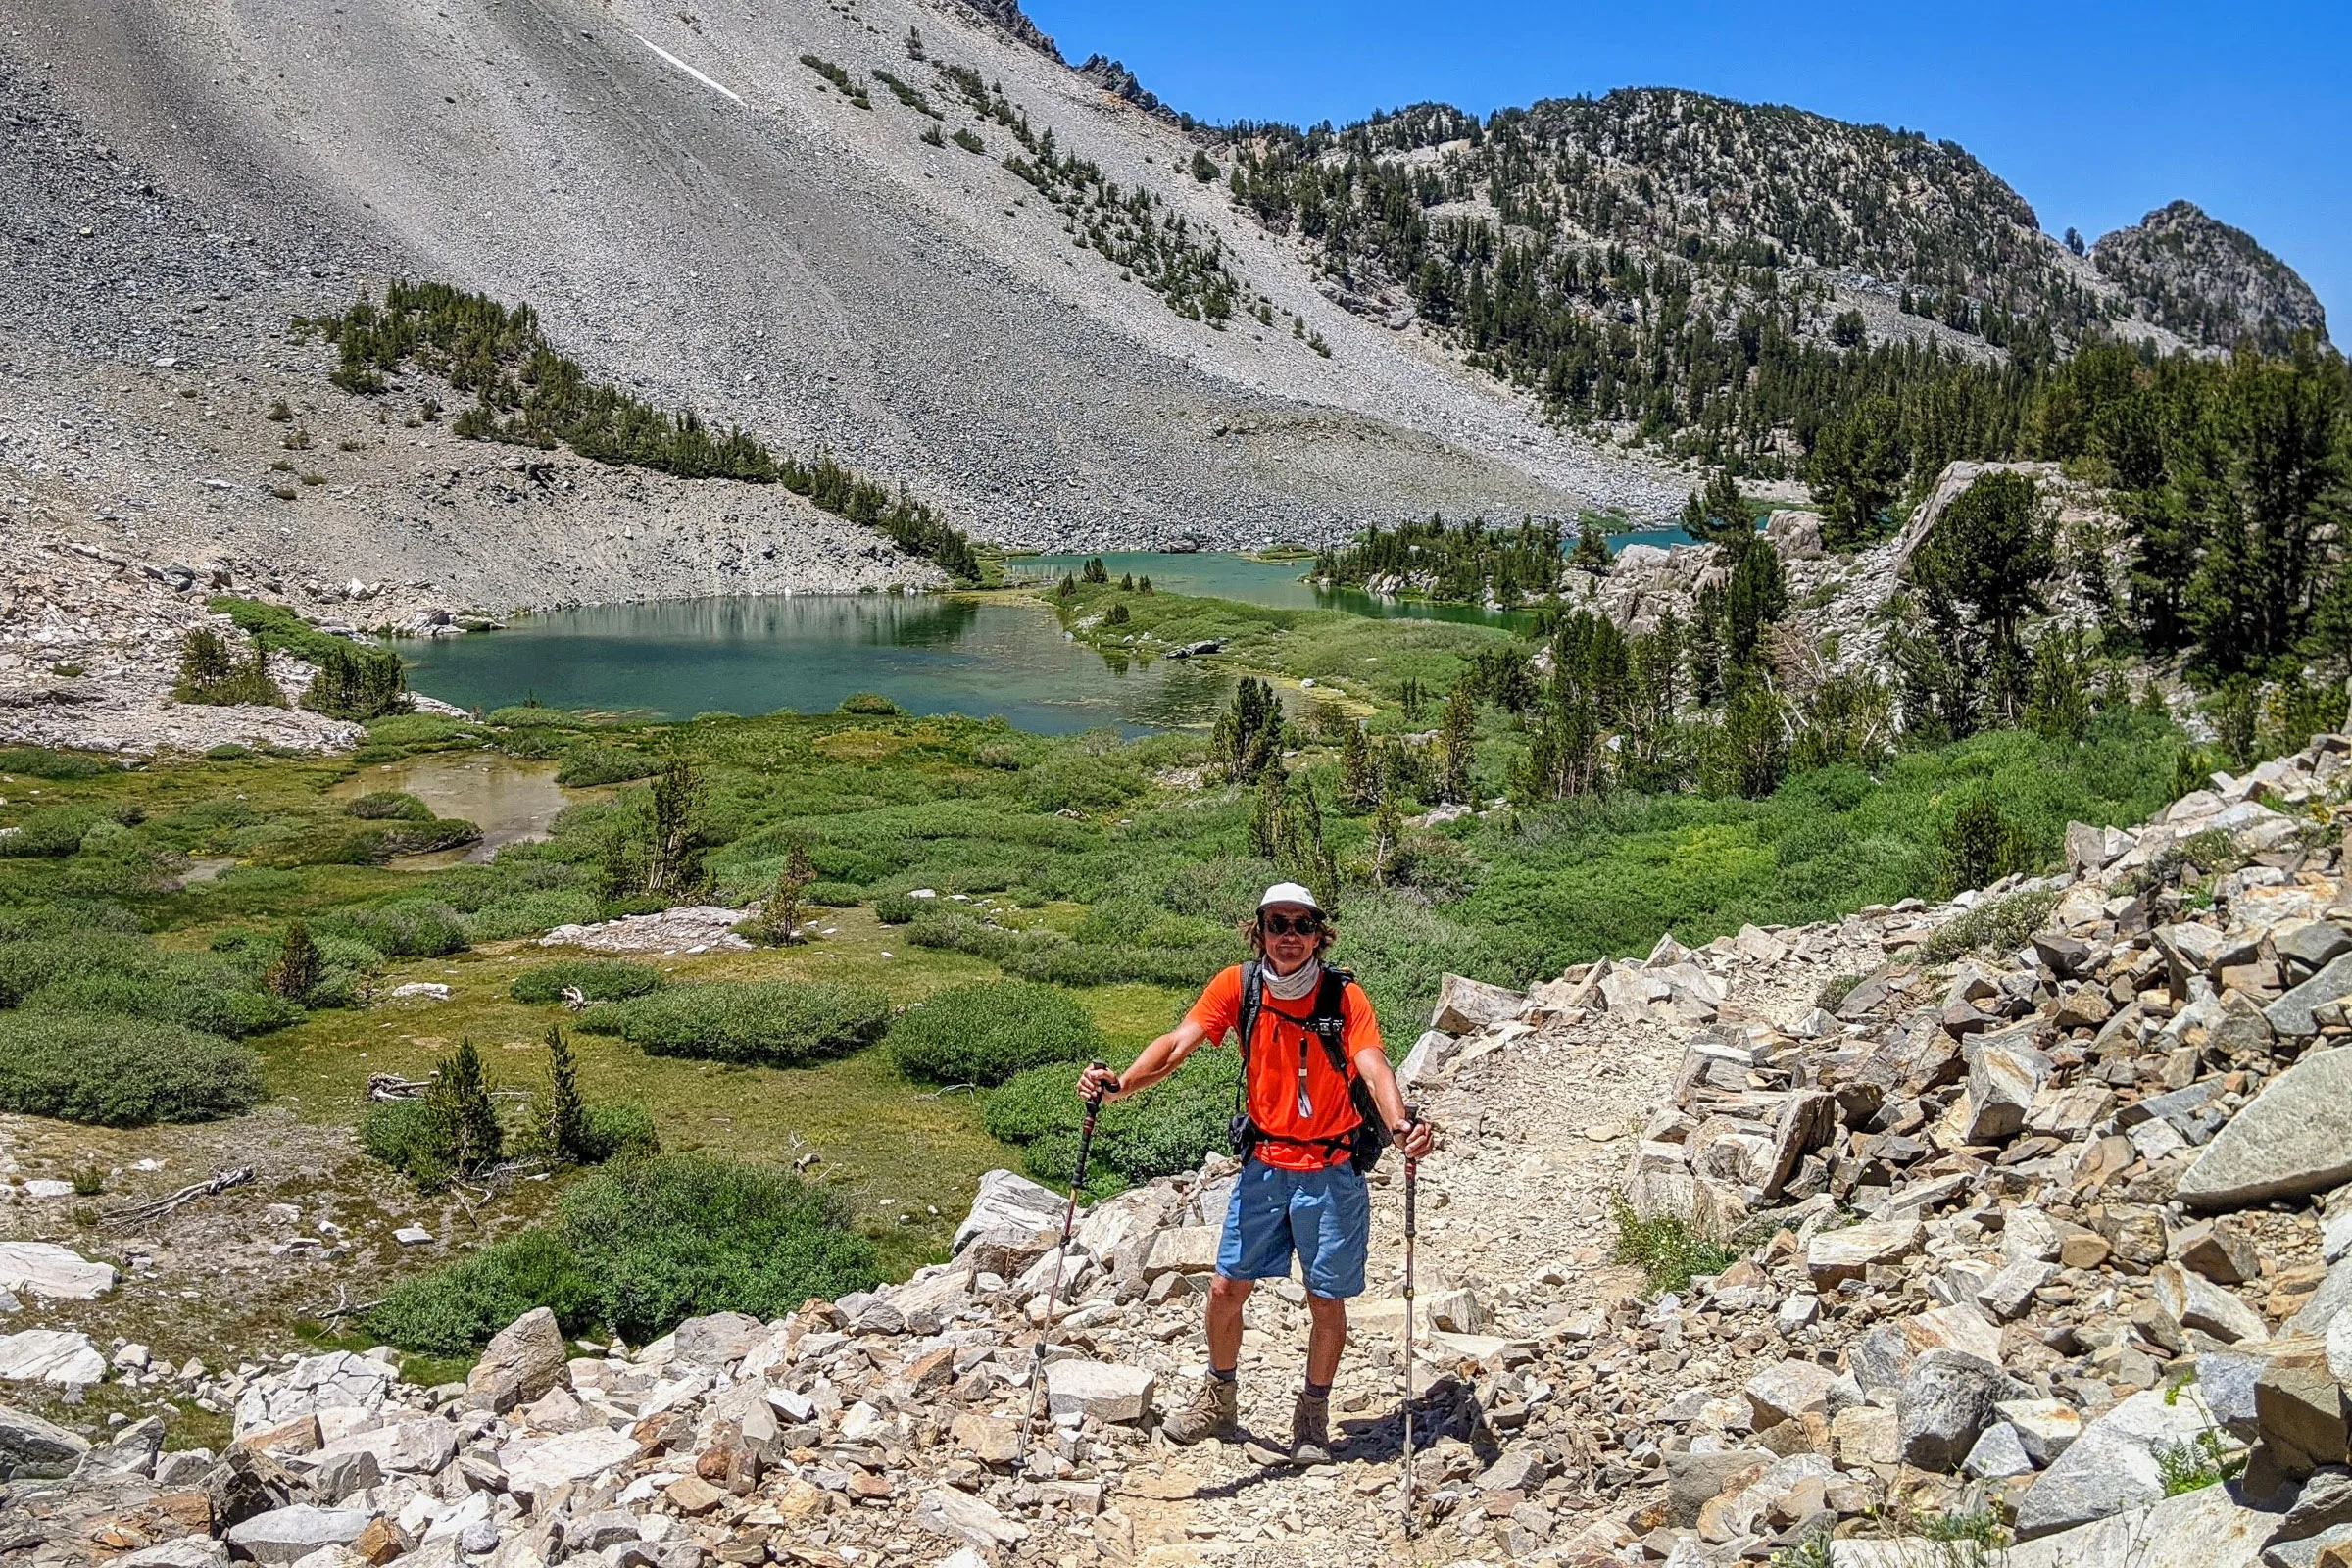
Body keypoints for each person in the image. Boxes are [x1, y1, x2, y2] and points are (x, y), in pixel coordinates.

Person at [1078, 882, 1436, 1463]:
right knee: (1225, 1288)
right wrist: (1121, 1084)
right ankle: (1219, 1399)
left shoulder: (1344, 996)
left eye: (1301, 925)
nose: (1289, 936)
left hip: (1331, 1168)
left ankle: (1313, 1416)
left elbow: (1373, 1065)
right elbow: (1176, 1045)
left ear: (1319, 933)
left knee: (1325, 1298)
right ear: (1260, 930)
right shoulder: (1238, 986)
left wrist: (1400, 1127)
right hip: (1264, 1166)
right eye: (1277, 924)